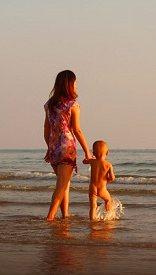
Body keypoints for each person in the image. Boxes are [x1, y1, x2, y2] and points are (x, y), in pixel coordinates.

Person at [44, 70, 92, 221]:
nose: (77, 85)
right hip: (67, 147)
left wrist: (49, 148)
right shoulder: (72, 105)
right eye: (75, 83)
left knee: (64, 183)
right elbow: (77, 130)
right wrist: (87, 152)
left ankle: (65, 214)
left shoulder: (50, 104)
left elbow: (47, 129)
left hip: (54, 147)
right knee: (61, 185)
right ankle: (50, 217)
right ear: (69, 85)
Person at [83, 140, 116, 220]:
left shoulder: (92, 162)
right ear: (107, 153)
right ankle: (109, 216)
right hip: (102, 189)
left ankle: (92, 220)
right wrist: (107, 179)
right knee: (108, 200)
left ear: (93, 153)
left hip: (92, 188)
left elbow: (84, 161)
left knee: (93, 207)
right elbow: (112, 178)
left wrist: (91, 157)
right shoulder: (108, 165)